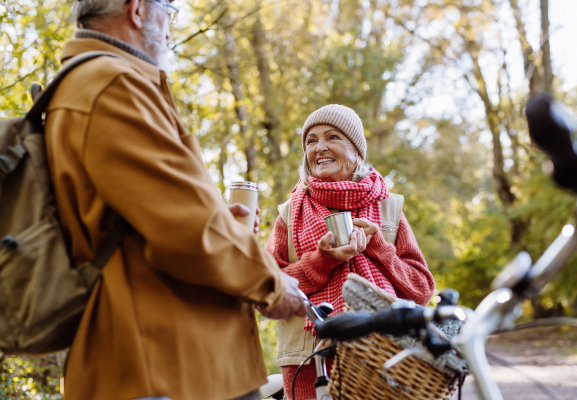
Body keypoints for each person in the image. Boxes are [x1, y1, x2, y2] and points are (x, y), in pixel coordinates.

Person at [44, 1, 304, 399]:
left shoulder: (97, 82)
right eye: (168, 9)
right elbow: (183, 228)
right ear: (136, 10)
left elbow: (151, 211)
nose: (170, 27)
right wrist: (269, 283)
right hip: (164, 364)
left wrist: (218, 216)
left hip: (172, 358)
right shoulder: (114, 84)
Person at [265, 104, 436, 399]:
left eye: (332, 137)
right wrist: (323, 261)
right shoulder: (290, 213)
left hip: (384, 356)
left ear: (356, 151)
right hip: (308, 359)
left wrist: (379, 248)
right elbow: (266, 290)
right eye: (311, 141)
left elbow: (421, 289)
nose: (320, 147)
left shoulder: (388, 208)